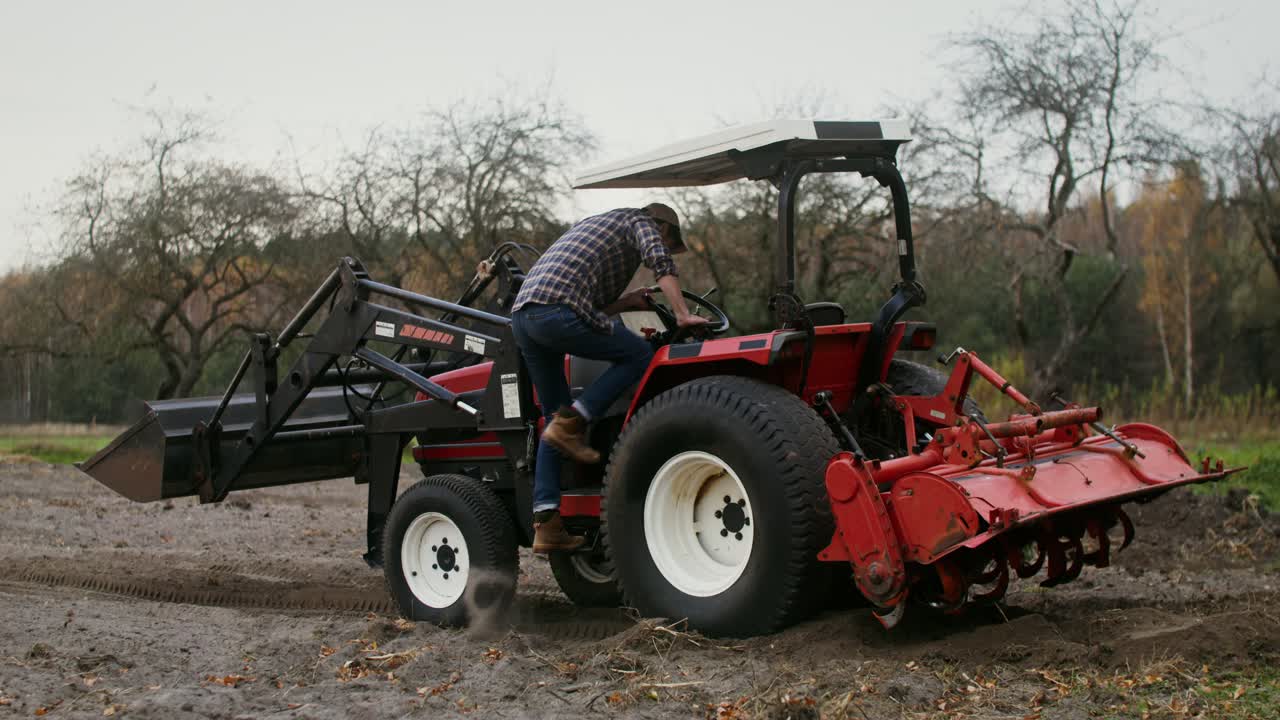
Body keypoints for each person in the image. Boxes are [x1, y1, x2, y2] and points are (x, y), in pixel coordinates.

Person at [511, 203, 710, 552]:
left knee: (554, 419)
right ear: (663, 228)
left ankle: (546, 523)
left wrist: (626, 302)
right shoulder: (640, 220)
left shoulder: (596, 227)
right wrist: (682, 315)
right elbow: (660, 262)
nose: (663, 243)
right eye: (666, 239)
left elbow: (587, 310)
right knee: (637, 355)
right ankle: (578, 420)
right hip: (556, 312)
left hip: (526, 318)